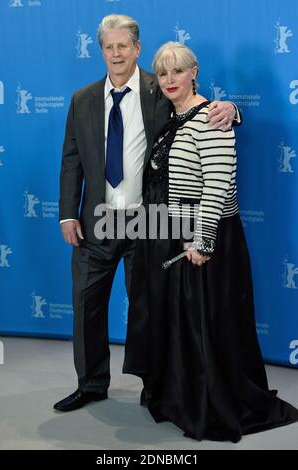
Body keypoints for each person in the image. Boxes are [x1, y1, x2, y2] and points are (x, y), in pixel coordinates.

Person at [54, 14, 239, 413]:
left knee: (148, 308)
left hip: (148, 222)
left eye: (124, 46)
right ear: (100, 51)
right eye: (109, 46)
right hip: (96, 221)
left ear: (137, 48)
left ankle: (153, 385)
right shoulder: (81, 99)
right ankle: (91, 383)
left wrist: (232, 108)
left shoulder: (161, 88)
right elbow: (71, 160)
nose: (116, 53)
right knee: (86, 304)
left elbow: (199, 110)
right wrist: (67, 213)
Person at [123, 41, 298, 442]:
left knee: (205, 324)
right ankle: (179, 397)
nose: (169, 80)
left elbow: (217, 186)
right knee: (180, 323)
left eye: (177, 71)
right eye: (163, 73)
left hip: (205, 236)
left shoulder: (212, 119)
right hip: (170, 231)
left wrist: (203, 242)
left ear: (194, 71)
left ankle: (208, 403)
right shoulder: (172, 116)